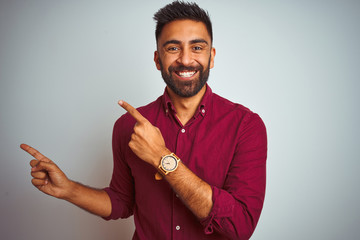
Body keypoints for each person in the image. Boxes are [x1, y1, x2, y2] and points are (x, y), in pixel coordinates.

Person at [20, 1, 267, 239]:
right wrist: (69, 190)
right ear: (158, 59)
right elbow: (121, 202)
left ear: (211, 56)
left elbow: (240, 225)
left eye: (197, 47)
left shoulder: (246, 126)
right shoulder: (128, 126)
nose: (185, 59)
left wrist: (161, 158)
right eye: (172, 48)